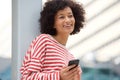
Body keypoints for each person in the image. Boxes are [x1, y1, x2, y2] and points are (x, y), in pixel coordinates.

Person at [20, 0, 85, 80]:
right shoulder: (44, 41)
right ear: (52, 23)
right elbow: (27, 77)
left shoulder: (70, 56)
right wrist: (59, 76)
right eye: (61, 17)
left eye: (70, 16)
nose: (68, 20)